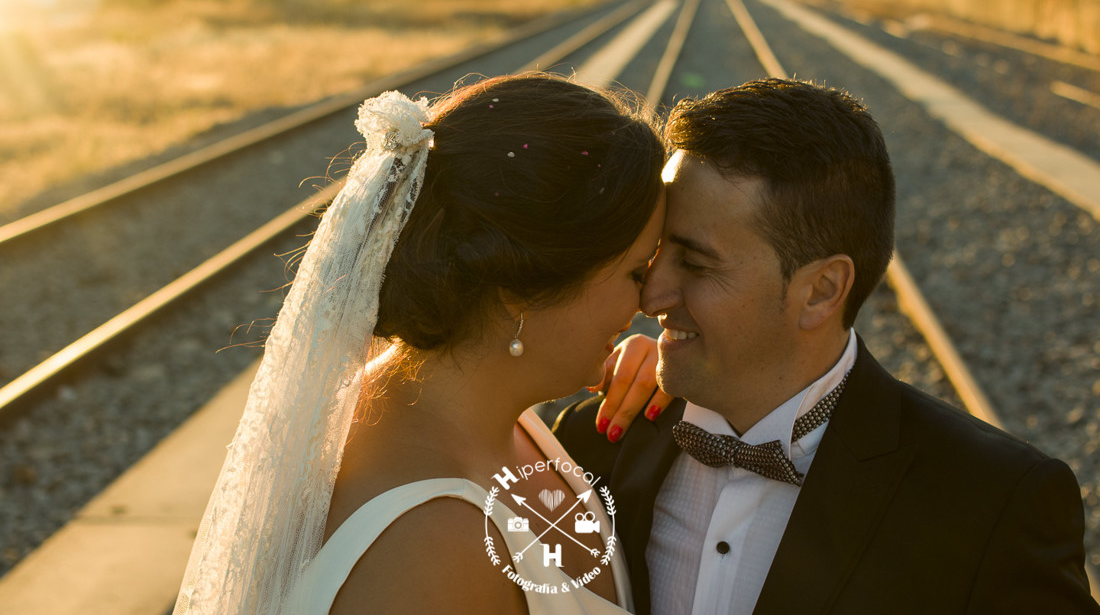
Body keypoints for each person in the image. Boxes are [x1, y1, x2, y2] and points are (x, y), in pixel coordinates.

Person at [554, 78, 1098, 614]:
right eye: (654, 254)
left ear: (820, 291)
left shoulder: (993, 505)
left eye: (695, 264)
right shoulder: (588, 447)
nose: (651, 295)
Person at [172, 72, 667, 614]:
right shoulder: (433, 552)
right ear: (518, 288)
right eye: (636, 273)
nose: (651, 302)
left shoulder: (488, 419)